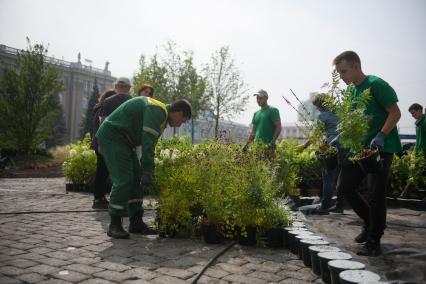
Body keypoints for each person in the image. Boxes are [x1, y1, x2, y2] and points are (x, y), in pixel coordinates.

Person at [333, 51, 402, 256]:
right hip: (360, 149)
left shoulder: (376, 84)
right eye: (339, 73)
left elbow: (395, 113)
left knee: (375, 194)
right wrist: (342, 137)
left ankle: (374, 239)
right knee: (344, 187)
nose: (342, 76)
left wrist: (381, 134)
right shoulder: (352, 91)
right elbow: (355, 121)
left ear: (356, 66)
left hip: (381, 147)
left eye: (343, 71)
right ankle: (369, 223)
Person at [96, 96, 192, 239]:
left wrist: (144, 171)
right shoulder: (157, 111)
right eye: (183, 120)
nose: (181, 124)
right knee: (124, 179)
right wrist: (147, 169)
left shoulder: (161, 113)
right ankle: (114, 224)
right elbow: (148, 143)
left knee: (135, 178)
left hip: (124, 140)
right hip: (113, 137)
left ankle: (136, 222)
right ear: (179, 113)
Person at [309, 94, 344, 214]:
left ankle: (324, 207)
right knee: (341, 177)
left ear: (320, 104)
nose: (317, 108)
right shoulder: (340, 113)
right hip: (344, 146)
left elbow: (316, 134)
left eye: (316, 105)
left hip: (331, 148)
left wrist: (304, 145)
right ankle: (339, 205)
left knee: (328, 178)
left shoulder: (323, 116)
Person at [91, 89, 116, 209]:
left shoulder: (98, 108)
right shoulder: (102, 110)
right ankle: (98, 199)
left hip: (99, 143)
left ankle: (99, 197)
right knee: (102, 172)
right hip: (102, 144)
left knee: (102, 171)